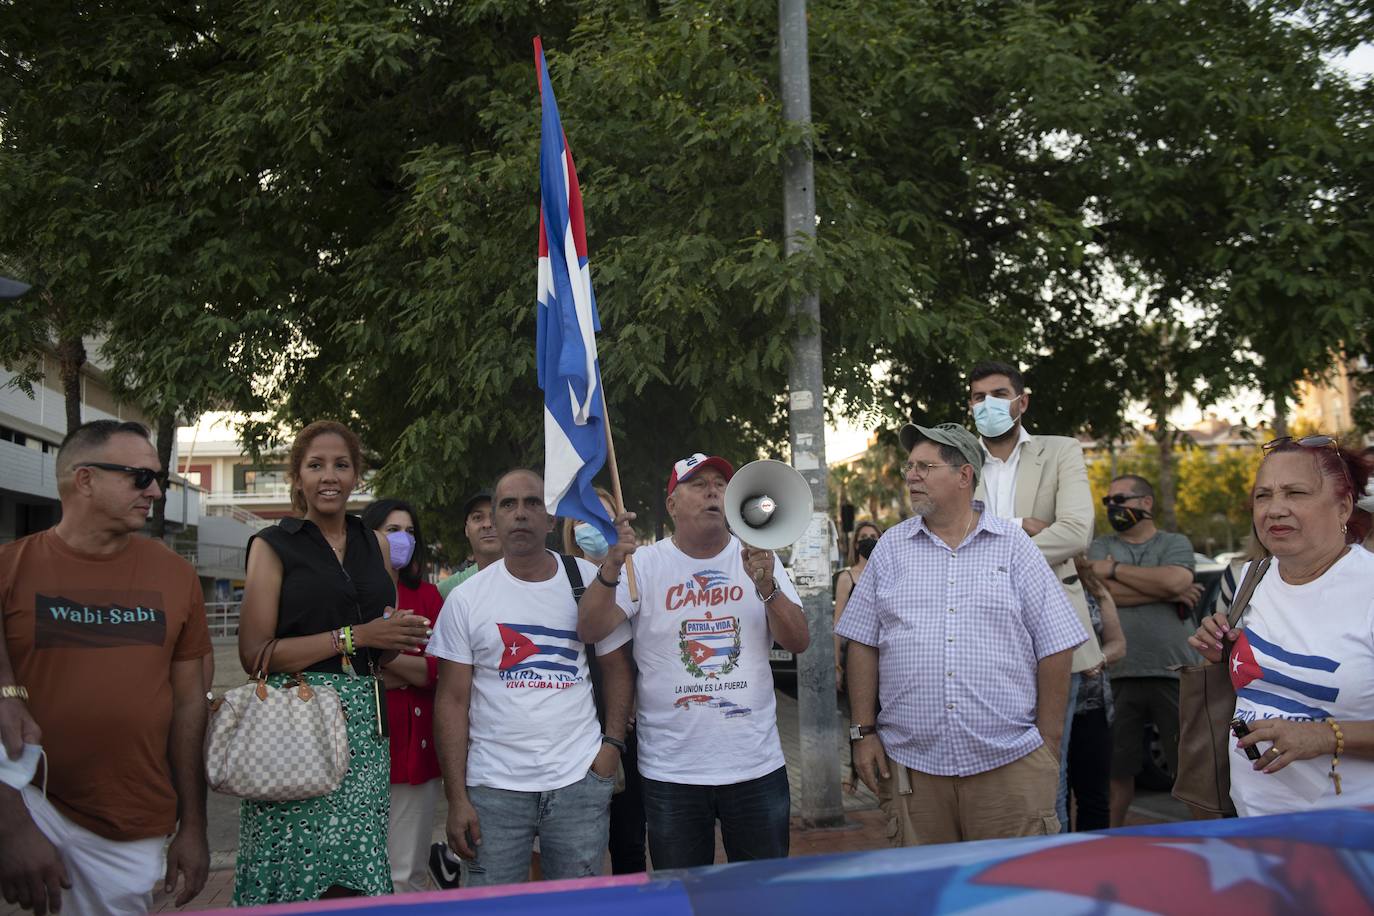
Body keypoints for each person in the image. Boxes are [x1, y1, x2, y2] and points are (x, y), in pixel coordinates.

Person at [838, 422, 1087, 845]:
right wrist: (862, 734)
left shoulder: (1014, 545)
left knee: (1010, 900)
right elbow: (862, 643)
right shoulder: (891, 548)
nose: (911, 476)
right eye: (910, 466)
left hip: (1008, 766)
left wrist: (1047, 743)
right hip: (913, 769)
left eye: (925, 466)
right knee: (927, 898)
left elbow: (1056, 643)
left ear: (964, 475)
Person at [0, 420, 211, 915]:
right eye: (140, 477)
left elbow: (189, 708)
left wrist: (195, 826)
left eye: (159, 479)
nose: (155, 491)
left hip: (131, 820)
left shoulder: (177, 576)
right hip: (29, 802)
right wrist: (10, 826)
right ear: (85, 479)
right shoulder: (10, 568)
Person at [576, 453, 810, 868]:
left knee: (765, 896)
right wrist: (612, 563)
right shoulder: (643, 566)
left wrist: (768, 587)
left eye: (720, 484)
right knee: (685, 895)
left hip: (756, 766)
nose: (713, 491)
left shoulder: (758, 555)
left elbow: (798, 641)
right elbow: (591, 629)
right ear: (671, 505)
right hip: (672, 772)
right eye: (698, 484)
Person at [234, 421, 431, 904]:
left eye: (341, 465)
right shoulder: (272, 544)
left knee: (357, 867)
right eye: (315, 465)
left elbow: (377, 648)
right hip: (296, 722)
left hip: (366, 727)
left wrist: (393, 636)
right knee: (295, 865)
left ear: (356, 475)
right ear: (297, 477)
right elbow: (255, 654)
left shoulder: (376, 544)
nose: (329, 476)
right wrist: (353, 636)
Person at [429, 469, 634, 886]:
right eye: (508, 505)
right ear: (495, 518)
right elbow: (451, 701)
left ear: (552, 519)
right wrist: (456, 798)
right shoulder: (466, 599)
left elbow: (616, 668)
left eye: (532, 503)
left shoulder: (587, 580)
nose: (520, 514)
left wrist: (611, 748)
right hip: (493, 789)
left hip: (579, 781)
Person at [1189, 435, 1374, 816]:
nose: (1275, 509)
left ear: (1343, 508)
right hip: (1252, 820)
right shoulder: (1252, 578)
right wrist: (1222, 652)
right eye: (1263, 495)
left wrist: (1325, 737)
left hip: (1351, 838)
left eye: (1295, 493)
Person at [967, 361, 1104, 832]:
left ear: (1021, 402)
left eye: (998, 394)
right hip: (980, 640)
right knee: (989, 777)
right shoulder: (959, 462)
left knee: (1049, 771)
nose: (988, 405)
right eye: (978, 397)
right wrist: (1018, 528)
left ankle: (1048, 876)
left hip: (1051, 639)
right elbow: (948, 538)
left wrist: (984, 542)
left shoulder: (1060, 451)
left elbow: (1075, 533)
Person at [1088, 474, 1197, 827]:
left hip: (1175, 670)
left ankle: (1210, 840)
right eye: (1108, 502)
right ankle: (1109, 843)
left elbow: (1178, 580)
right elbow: (1097, 594)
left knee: (1191, 767)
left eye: (1120, 500)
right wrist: (1162, 591)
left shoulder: (1174, 541)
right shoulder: (1099, 545)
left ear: (1146, 503)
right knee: (1116, 770)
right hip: (1117, 672)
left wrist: (1115, 570)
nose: (1113, 508)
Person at [560, 486, 647, 876]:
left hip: (629, 728)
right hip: (574, 729)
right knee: (574, 848)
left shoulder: (640, 573)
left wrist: (630, 706)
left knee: (629, 841)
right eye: (584, 519)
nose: (592, 527)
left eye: (604, 518)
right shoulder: (559, 577)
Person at [361, 498, 444, 894]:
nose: (402, 539)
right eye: (393, 530)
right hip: (358, 753)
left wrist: (375, 651)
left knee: (406, 872)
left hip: (416, 754)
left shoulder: (428, 597)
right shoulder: (350, 596)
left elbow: (434, 672)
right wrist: (396, 656)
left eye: (410, 532)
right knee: (360, 869)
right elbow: (343, 669)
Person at [1065, 555, 1127, 830]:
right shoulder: (1034, 583)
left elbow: (1118, 644)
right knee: (1055, 795)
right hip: (1047, 710)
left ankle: (1093, 859)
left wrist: (1098, 658)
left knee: (1094, 796)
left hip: (1092, 707)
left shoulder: (1095, 590)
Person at [437, 491, 500, 601]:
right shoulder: (447, 590)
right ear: (466, 529)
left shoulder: (532, 580)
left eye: (494, 517)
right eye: (478, 517)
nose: (487, 524)